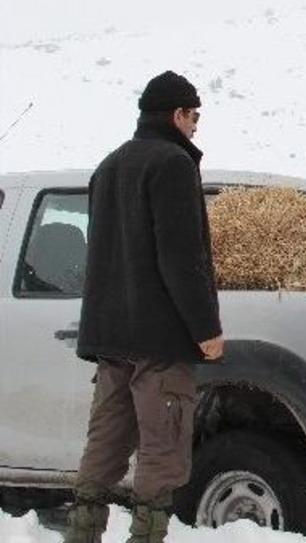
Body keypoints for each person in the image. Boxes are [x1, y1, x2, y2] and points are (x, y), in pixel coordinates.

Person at [66, 71, 224, 543]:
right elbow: (181, 256)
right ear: (176, 113)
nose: (196, 126)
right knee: (162, 452)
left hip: (111, 338)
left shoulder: (109, 165)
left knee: (104, 448)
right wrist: (206, 329)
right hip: (159, 341)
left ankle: (81, 535)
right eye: (194, 116)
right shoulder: (172, 164)